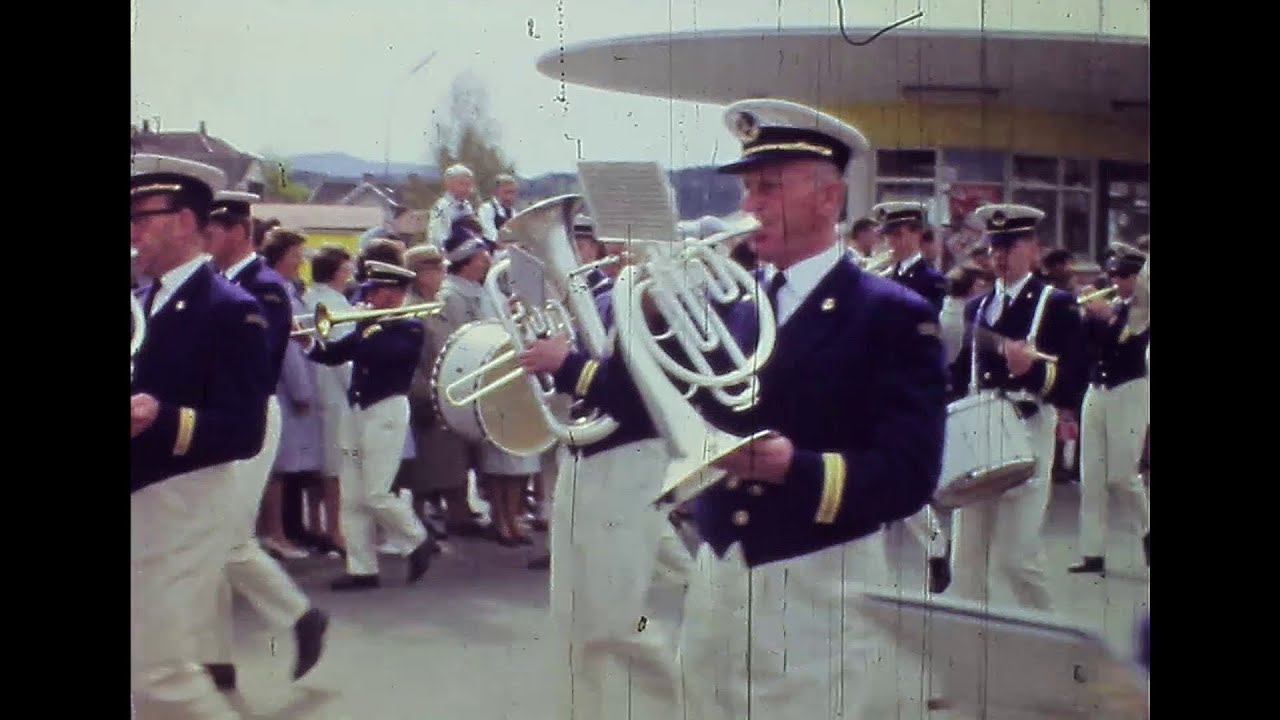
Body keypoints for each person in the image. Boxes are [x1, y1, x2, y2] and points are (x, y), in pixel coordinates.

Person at [131, 154, 267, 719]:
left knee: (155, 669)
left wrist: (158, 416)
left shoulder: (231, 309)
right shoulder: (145, 301)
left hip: (186, 494)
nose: (131, 231)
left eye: (141, 216)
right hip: (147, 492)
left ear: (184, 221)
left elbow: (244, 431)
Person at [200, 192, 329, 690]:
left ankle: (300, 617)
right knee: (212, 541)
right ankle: (214, 658)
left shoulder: (266, 288)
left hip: (250, 413)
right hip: (218, 415)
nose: (204, 242)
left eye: (210, 232)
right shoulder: (217, 282)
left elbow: (260, 358)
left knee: (229, 542)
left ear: (236, 231)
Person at [949, 203, 1088, 611]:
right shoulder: (977, 307)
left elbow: (1074, 383)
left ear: (1033, 248)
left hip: (1027, 427)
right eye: (994, 247)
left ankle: (1051, 638)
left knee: (1016, 560)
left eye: (1009, 246)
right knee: (967, 557)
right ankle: (972, 645)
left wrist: (1031, 372)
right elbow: (963, 374)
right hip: (980, 428)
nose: (999, 256)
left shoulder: (1056, 304)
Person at [307, 260, 434, 590]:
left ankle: (418, 538)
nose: (370, 298)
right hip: (358, 410)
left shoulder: (410, 326)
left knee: (377, 492)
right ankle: (361, 568)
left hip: (386, 411)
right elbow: (335, 354)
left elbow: (385, 355)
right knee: (353, 496)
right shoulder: (368, 324)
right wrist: (308, 344)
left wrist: (369, 325)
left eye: (376, 292)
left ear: (393, 294)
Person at [1070, 250, 1151, 575]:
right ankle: (1092, 552)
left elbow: (1128, 343)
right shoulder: (1110, 306)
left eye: (1124, 277)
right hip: (1097, 389)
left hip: (1129, 390)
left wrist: (1106, 316)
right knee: (1091, 475)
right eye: (1113, 276)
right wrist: (1084, 315)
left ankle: (1146, 530)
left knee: (1122, 473)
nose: (1117, 283)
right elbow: (1087, 345)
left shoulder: (1142, 310)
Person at [395, 245, 478, 536]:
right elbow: (410, 363)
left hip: (449, 391)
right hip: (426, 396)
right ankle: (418, 520)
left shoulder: (440, 304)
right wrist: (424, 395)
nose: (442, 275)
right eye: (436, 270)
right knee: (424, 466)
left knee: (452, 461)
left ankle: (458, 515)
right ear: (419, 273)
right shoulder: (411, 309)